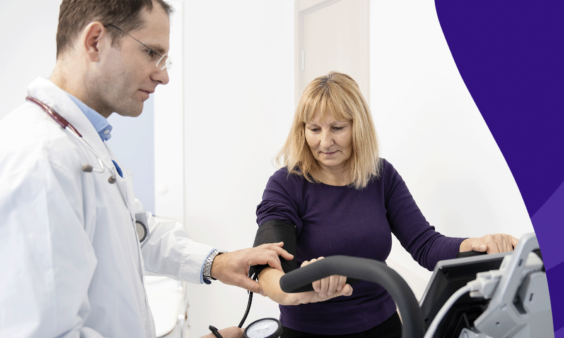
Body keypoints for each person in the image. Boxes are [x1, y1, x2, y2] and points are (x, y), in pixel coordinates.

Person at [0, 1, 292, 338]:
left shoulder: (84, 143)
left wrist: (218, 263)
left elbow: (136, 233)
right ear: (96, 41)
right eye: (152, 52)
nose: (164, 75)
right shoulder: (42, 157)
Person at [255, 72, 519, 337]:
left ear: (357, 127)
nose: (325, 142)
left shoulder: (380, 176)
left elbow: (425, 245)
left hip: (382, 326)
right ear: (302, 131)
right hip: (308, 331)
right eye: (314, 129)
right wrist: (300, 285)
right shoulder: (286, 185)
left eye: (337, 128)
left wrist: (475, 245)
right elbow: (268, 267)